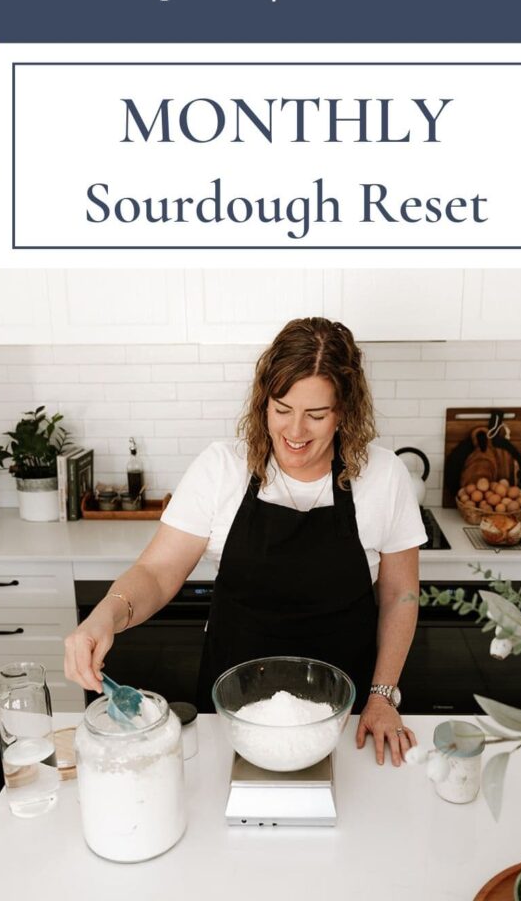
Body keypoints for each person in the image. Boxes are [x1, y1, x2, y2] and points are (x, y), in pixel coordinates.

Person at [64, 317, 426, 766]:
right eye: (281, 409)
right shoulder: (222, 469)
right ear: (263, 404)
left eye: (316, 414)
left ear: (344, 412)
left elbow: (400, 595)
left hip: (345, 717)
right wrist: (105, 616)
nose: (295, 431)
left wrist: (383, 695)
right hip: (231, 714)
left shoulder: (384, 475)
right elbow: (157, 573)